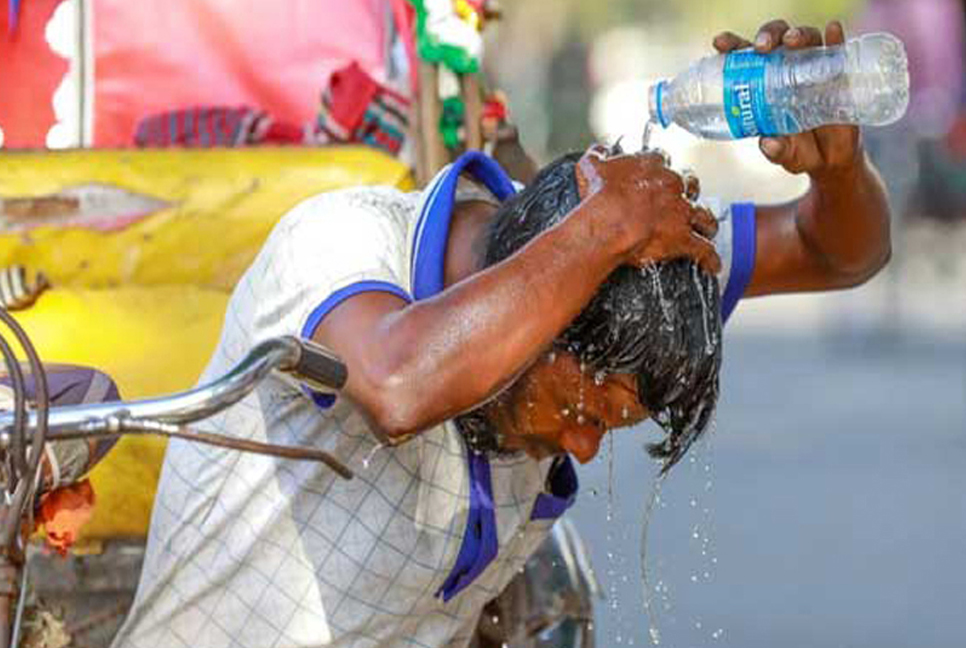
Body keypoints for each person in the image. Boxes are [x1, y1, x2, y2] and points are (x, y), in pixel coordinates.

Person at [112, 19, 891, 648]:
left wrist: (839, 169)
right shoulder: (337, 245)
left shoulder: (633, 263)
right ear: (546, 310)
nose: (584, 449)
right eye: (586, 412)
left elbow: (840, 251)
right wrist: (603, 229)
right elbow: (399, 385)